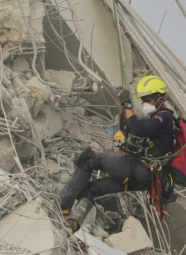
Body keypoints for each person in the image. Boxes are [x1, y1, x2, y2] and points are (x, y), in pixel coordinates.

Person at [59, 75, 176, 232]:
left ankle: (62, 206)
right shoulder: (155, 120)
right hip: (142, 180)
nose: (145, 103)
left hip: (141, 169)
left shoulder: (165, 116)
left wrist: (127, 102)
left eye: (149, 99)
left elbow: (138, 129)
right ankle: (72, 224)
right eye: (143, 99)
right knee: (91, 189)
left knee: (89, 158)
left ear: (160, 97)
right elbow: (130, 127)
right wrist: (124, 108)